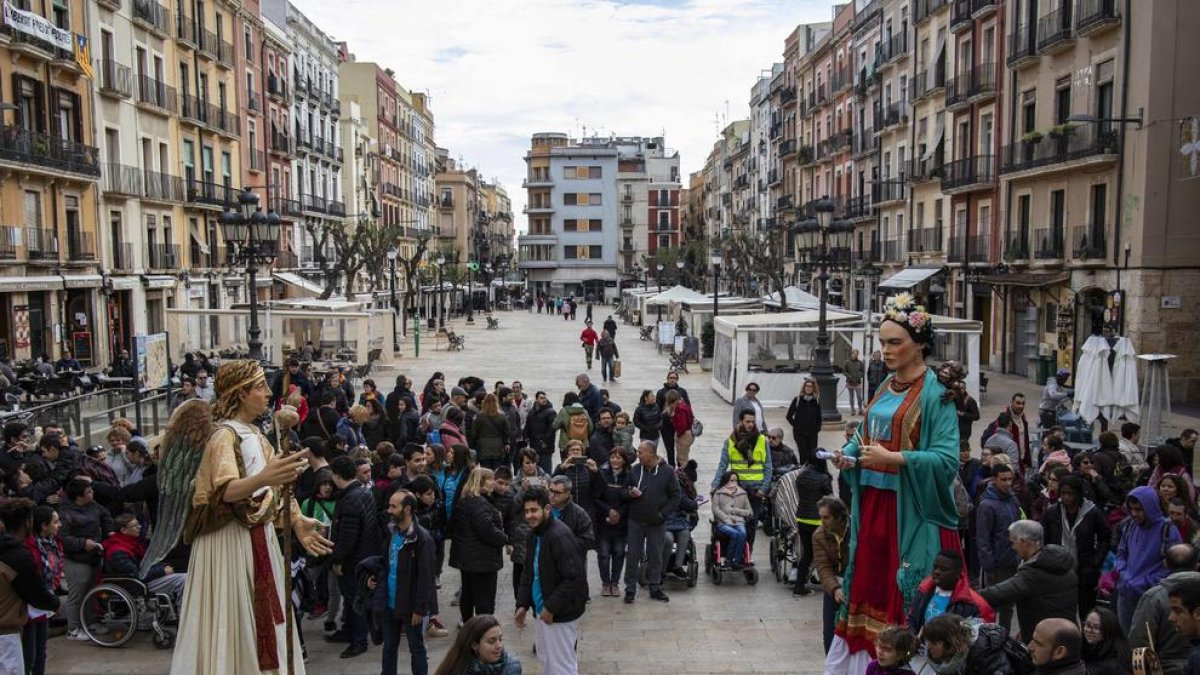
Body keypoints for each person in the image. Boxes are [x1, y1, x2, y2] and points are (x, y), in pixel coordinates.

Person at [826, 294, 963, 674]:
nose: (885, 350)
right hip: (872, 505)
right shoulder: (886, 383)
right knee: (866, 585)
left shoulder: (938, 395)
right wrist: (849, 454)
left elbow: (948, 460)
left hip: (910, 510)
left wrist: (895, 459)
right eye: (882, 342)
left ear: (919, 344)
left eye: (894, 342)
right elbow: (866, 434)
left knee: (902, 585)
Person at [171, 360, 332, 674]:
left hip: (257, 537)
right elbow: (224, 491)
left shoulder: (257, 435)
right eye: (260, 387)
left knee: (262, 617)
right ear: (241, 394)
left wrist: (298, 521)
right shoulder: (222, 436)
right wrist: (264, 477)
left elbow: (276, 488)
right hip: (230, 541)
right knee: (234, 615)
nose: (269, 394)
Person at [359, 489, 437, 675]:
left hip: (410, 605)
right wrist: (373, 578)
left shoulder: (422, 539)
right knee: (389, 647)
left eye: (394, 506)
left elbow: (425, 577)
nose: (389, 510)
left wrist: (420, 608)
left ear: (407, 509)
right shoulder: (392, 532)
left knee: (416, 647)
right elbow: (387, 563)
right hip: (389, 602)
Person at [515, 486, 586, 675]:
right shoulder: (534, 534)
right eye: (527, 511)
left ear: (546, 509)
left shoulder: (560, 536)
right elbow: (528, 572)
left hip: (559, 614)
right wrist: (522, 604)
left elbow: (572, 578)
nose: (529, 515)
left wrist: (551, 608)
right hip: (543, 611)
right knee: (547, 660)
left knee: (562, 666)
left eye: (534, 510)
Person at [978, 520, 1078, 641]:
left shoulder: (1033, 573)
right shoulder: (1059, 562)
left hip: (1047, 639)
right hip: (1067, 632)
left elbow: (998, 593)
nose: (1013, 547)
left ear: (1023, 542)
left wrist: (966, 595)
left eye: (1013, 543)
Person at [326, 453, 383, 658]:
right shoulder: (362, 492)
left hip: (354, 560)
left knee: (355, 600)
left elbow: (348, 537)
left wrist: (336, 558)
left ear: (337, 475)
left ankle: (358, 640)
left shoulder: (350, 499)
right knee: (354, 600)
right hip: (364, 555)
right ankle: (349, 631)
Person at [0, 499, 59, 674]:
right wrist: (54, 603)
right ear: (28, 523)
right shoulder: (16, 554)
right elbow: (36, 594)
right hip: (6, 633)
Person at [1115, 485, 1184, 630]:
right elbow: (1121, 553)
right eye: (1131, 509)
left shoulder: (1168, 531)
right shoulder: (1130, 526)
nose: (1134, 514)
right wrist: (1123, 573)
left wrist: (1145, 581)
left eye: (1139, 510)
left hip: (1152, 597)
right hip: (1127, 595)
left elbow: (1174, 568)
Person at [1041, 474, 1110, 616]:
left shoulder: (1092, 513)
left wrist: (1095, 562)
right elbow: (1045, 539)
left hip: (1084, 571)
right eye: (1063, 493)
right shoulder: (1052, 512)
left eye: (1070, 494)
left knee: (1086, 612)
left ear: (1078, 493)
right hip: (1058, 571)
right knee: (1060, 613)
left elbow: (1105, 538)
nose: (1066, 497)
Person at [449, 467, 508, 625]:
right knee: (484, 598)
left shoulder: (466, 500)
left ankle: (468, 624)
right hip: (482, 559)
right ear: (481, 482)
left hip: (467, 558)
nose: (493, 483)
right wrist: (505, 539)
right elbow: (487, 530)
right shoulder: (479, 503)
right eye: (490, 479)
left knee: (468, 594)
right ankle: (484, 627)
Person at [58, 477, 115, 640]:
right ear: (79, 496)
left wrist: (109, 531)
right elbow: (62, 539)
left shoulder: (94, 505)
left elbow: (105, 515)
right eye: (89, 492)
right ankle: (73, 629)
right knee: (77, 595)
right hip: (76, 559)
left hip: (94, 557)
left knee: (91, 593)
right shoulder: (65, 513)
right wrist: (82, 543)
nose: (93, 493)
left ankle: (89, 623)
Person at [624, 442, 680, 604]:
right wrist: (629, 494)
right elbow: (624, 491)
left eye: (640, 452)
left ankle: (655, 586)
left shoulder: (667, 472)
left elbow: (676, 496)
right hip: (635, 520)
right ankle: (630, 588)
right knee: (633, 555)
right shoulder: (634, 470)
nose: (637, 455)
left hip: (656, 522)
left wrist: (663, 514)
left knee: (655, 555)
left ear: (651, 453)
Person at [712, 410, 773, 550]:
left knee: (751, 523)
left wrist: (764, 489)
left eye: (753, 421)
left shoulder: (762, 440)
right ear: (741, 422)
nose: (751, 424)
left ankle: (747, 554)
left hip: (756, 490)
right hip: (737, 489)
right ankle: (735, 552)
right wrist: (715, 485)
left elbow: (768, 467)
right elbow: (722, 466)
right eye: (748, 422)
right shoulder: (731, 441)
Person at [975, 462, 1021, 629]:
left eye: (1010, 479)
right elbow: (983, 538)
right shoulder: (987, 505)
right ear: (994, 480)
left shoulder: (1013, 500)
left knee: (1009, 604)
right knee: (992, 603)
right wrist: (989, 565)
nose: (1008, 483)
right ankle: (990, 635)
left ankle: (1005, 635)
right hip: (996, 563)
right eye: (1004, 479)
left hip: (1013, 560)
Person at [906, 550, 994, 637]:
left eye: (944, 569)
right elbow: (911, 620)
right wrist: (912, 639)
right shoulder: (924, 590)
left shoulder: (974, 603)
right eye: (935, 567)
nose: (937, 572)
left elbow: (982, 637)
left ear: (958, 574)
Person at [22, 505, 62, 675]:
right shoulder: (29, 546)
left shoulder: (52, 544)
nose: (59, 525)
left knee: (41, 651)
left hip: (45, 601)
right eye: (55, 521)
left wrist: (52, 589)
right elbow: (32, 576)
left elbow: (57, 569)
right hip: (30, 604)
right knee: (28, 653)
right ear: (44, 525)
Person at [792, 449, 833, 596]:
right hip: (818, 521)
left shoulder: (801, 476)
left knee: (807, 553)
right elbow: (830, 499)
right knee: (824, 553)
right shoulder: (824, 478)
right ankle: (828, 582)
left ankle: (799, 585)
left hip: (802, 518)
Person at [813, 496, 850, 654]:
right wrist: (834, 589)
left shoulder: (857, 528)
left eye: (826, 517)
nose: (823, 522)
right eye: (821, 517)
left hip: (855, 584)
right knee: (830, 633)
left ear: (840, 517)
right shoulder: (819, 535)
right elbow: (823, 566)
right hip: (834, 587)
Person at [431, 614, 522, 675]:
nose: (499, 646)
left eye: (500, 639)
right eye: (491, 641)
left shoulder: (512, 667)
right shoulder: (456, 669)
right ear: (474, 645)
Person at [595, 446, 630, 597]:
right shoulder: (602, 474)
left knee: (619, 552)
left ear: (624, 460)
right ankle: (605, 583)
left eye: (618, 457)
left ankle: (615, 582)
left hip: (621, 523)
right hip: (603, 520)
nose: (615, 460)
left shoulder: (629, 476)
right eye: (613, 457)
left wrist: (619, 514)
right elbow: (595, 497)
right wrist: (608, 511)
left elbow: (630, 498)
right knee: (603, 553)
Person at [982, 394, 1032, 475]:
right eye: (1018, 403)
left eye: (1023, 403)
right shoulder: (1003, 418)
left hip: (1021, 462)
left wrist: (1026, 460)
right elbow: (986, 443)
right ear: (1011, 403)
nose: (1021, 406)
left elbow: (1025, 439)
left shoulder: (1023, 418)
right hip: (1006, 468)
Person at [712, 471, 753, 569]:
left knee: (743, 533)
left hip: (739, 521)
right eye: (731, 480)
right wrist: (726, 519)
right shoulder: (718, 493)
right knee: (734, 534)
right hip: (723, 522)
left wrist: (735, 511)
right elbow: (715, 509)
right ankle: (729, 560)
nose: (733, 483)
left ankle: (736, 560)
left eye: (735, 481)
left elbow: (749, 511)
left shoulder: (742, 493)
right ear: (726, 481)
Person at [1081, 607, 1131, 675]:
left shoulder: (1115, 664)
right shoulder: (1082, 647)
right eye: (1087, 625)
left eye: (1096, 627)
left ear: (1109, 630)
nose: (1089, 630)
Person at [470, 393, 511, 471]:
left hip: (483, 448)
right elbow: (507, 432)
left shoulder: (479, 416)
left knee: (485, 471)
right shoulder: (502, 416)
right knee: (496, 471)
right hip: (498, 447)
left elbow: (474, 433)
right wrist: (506, 443)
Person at [786, 378, 823, 457]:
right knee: (803, 454)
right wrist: (796, 425)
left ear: (814, 388)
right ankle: (803, 468)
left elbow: (819, 417)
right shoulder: (797, 400)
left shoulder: (816, 401)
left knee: (812, 454)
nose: (808, 388)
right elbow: (788, 416)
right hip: (800, 433)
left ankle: (811, 469)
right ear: (804, 387)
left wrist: (817, 428)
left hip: (812, 433)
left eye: (811, 386)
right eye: (807, 386)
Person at [524, 391, 557, 474]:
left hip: (545, 446)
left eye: (545, 398)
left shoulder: (551, 412)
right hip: (534, 445)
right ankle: (535, 485)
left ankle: (547, 485)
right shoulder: (532, 411)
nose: (544, 400)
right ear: (537, 399)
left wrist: (545, 441)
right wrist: (525, 435)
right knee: (535, 469)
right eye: (541, 398)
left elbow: (552, 429)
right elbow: (528, 425)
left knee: (546, 470)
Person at [663, 390, 695, 467]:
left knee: (682, 459)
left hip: (684, 435)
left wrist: (679, 434)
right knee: (684, 456)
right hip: (689, 433)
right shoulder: (684, 405)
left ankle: (683, 476)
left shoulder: (680, 408)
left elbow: (682, 425)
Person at [843, 350, 865, 417]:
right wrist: (849, 377)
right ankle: (852, 410)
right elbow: (844, 371)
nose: (855, 355)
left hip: (858, 382)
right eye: (854, 354)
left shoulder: (860, 363)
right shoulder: (847, 362)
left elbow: (862, 372)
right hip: (850, 382)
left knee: (859, 397)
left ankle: (860, 409)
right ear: (851, 354)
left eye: (856, 354)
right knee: (851, 397)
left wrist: (859, 375)